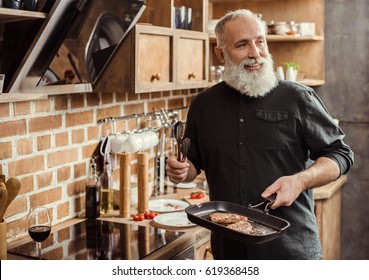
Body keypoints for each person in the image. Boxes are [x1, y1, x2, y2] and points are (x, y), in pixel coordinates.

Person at [166, 9, 354, 260]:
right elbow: (192, 166)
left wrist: (300, 181)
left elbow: (341, 154)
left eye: (260, 41)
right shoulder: (203, 105)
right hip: (229, 254)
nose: (255, 53)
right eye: (242, 44)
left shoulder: (298, 98)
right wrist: (181, 170)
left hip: (291, 252)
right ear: (221, 53)